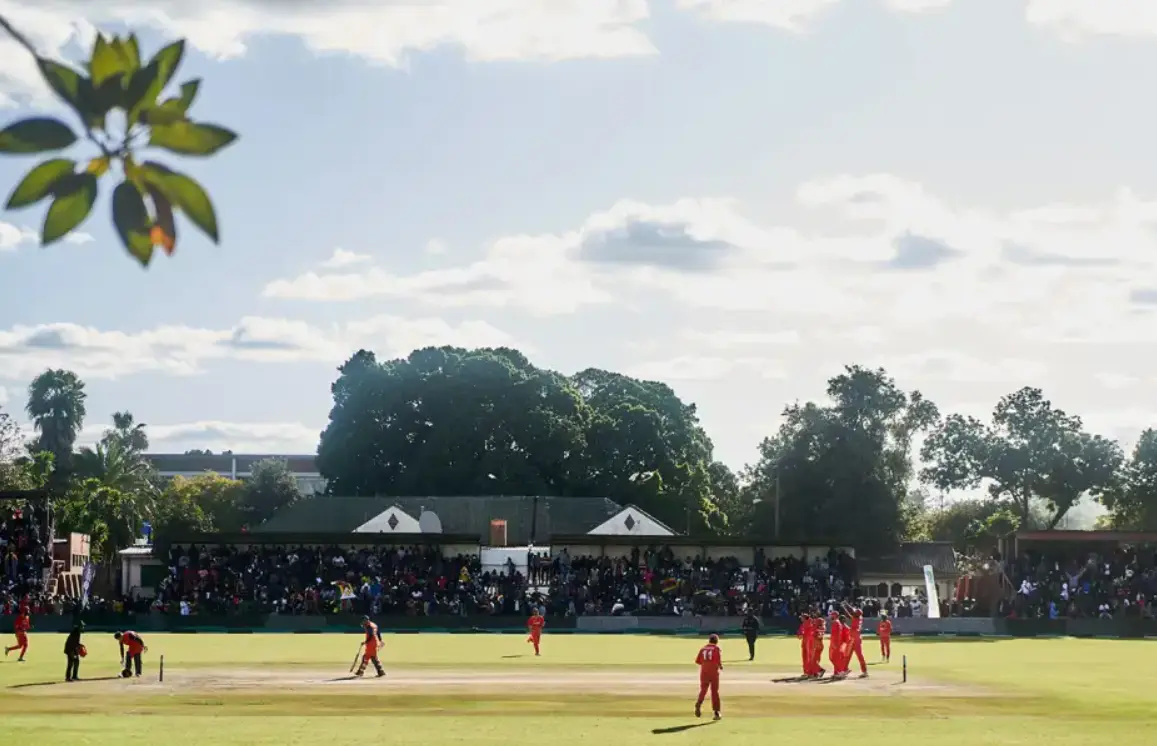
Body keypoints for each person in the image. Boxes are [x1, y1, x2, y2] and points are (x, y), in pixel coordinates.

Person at [694, 633, 723, 721]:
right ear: (716, 641)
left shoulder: (703, 648)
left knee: (703, 689)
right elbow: (718, 660)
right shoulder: (716, 648)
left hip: (704, 672)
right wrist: (720, 666)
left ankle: (699, 703)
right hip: (713, 672)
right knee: (714, 691)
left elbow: (698, 661)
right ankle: (716, 711)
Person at [845, 606, 868, 678]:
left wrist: (844, 607)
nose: (853, 613)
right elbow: (852, 612)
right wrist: (846, 605)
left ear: (856, 614)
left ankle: (864, 671)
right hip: (856, 638)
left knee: (849, 654)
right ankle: (845, 669)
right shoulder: (859, 617)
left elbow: (849, 614)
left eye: (855, 613)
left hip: (854, 638)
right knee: (850, 654)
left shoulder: (856, 619)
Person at [827, 611, 846, 678]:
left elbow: (836, 635)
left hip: (835, 643)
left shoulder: (836, 622)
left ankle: (841, 671)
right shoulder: (837, 622)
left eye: (832, 615)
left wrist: (834, 644)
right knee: (835, 658)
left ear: (834, 616)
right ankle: (838, 672)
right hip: (836, 643)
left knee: (833, 658)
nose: (830, 616)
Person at [810, 614, 826, 678]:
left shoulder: (817, 629)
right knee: (817, 660)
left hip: (817, 645)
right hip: (820, 645)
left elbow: (816, 635)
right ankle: (815, 673)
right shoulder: (822, 627)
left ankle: (820, 670)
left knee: (813, 660)